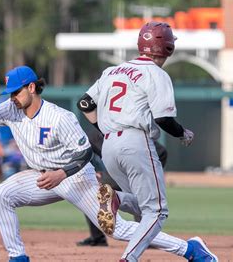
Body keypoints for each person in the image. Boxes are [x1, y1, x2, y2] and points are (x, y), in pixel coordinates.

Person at [0, 65, 214, 262]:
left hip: (75, 177)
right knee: (0, 195)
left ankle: (190, 249)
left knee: (116, 230)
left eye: (16, 92)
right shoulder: (11, 109)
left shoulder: (60, 117)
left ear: (31, 88)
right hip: (40, 176)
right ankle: (18, 257)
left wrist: (62, 173)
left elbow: (84, 155)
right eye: (10, 93)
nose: (12, 97)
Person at [78, 21, 218, 262]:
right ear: (168, 48)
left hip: (109, 145)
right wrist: (183, 133)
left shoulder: (113, 71)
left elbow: (85, 103)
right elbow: (163, 118)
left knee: (145, 208)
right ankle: (128, 258)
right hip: (135, 142)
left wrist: (106, 128)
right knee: (158, 211)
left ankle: (117, 198)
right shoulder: (156, 73)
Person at [76, 127, 168, 247]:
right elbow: (82, 154)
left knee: (140, 198)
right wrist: (92, 171)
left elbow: (161, 152)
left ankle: (147, 238)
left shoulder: (129, 130)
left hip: (135, 172)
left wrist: (151, 173)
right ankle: (98, 238)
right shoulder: (95, 134)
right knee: (92, 191)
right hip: (116, 174)